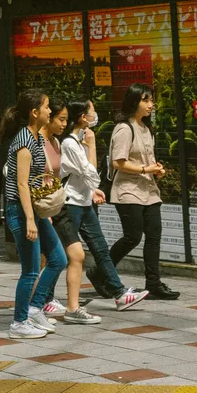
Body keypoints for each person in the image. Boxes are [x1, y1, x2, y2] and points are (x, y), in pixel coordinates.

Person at [60, 100, 147, 311]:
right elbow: (91, 173)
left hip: (84, 201)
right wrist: (91, 145)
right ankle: (43, 299)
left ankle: (119, 293)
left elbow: (86, 178)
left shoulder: (78, 140)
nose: (95, 115)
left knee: (100, 249)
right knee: (61, 256)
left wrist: (91, 191)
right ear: (82, 117)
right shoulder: (70, 144)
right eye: (92, 112)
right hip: (70, 204)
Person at [109, 83, 180, 301]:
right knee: (133, 237)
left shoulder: (146, 129)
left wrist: (156, 169)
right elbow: (118, 162)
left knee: (154, 236)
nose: (151, 104)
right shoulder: (124, 128)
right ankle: (102, 271)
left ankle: (153, 283)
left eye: (151, 100)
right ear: (134, 102)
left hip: (149, 190)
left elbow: (147, 160)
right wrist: (145, 169)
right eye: (146, 100)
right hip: (128, 190)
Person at [37, 99, 100, 326]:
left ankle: (71, 308)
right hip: (42, 206)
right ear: (47, 116)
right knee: (47, 261)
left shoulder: (55, 142)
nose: (64, 123)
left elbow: (61, 175)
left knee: (75, 255)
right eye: (60, 119)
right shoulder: (34, 142)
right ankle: (36, 307)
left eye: (65, 119)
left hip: (57, 203)